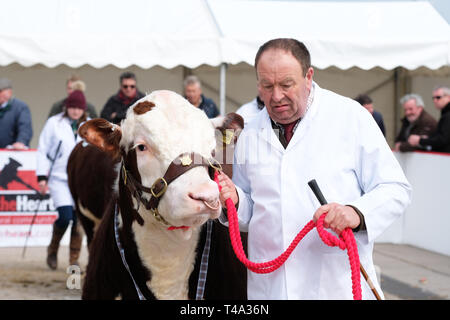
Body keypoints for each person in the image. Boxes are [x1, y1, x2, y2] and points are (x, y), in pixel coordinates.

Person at [217, 38, 411, 299]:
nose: (276, 96)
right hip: (271, 287)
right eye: (267, 85)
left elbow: (395, 188)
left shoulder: (350, 117)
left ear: (308, 77)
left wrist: (356, 213)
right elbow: (252, 210)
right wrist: (236, 200)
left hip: (333, 284)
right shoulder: (251, 133)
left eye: (286, 84)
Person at [37, 89, 89, 270]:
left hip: (81, 181)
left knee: (78, 220)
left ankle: (73, 259)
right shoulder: (54, 123)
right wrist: (42, 177)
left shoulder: (89, 126)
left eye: (79, 108)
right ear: (66, 107)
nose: (75, 111)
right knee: (66, 215)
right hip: (59, 178)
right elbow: (43, 150)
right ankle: (53, 248)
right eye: (72, 107)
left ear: (84, 109)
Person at [408, 86, 450, 153]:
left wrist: (420, 140)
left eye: (438, 97)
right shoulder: (445, 114)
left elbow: (443, 140)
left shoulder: (447, 116)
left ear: (448, 97)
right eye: (433, 98)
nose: (435, 100)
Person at [0, 77, 33, 149]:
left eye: (0, 91)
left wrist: (21, 141)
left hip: (11, 152)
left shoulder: (20, 107)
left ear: (9, 92)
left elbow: (25, 128)